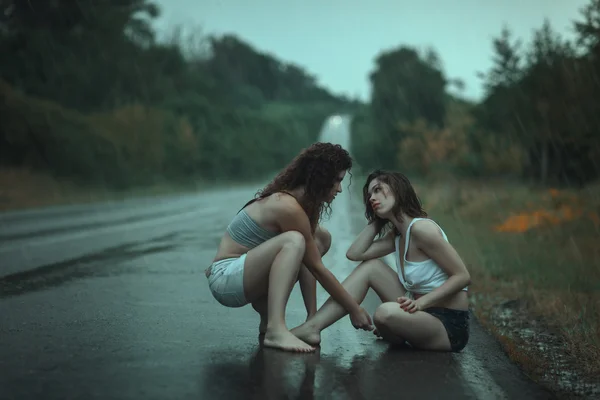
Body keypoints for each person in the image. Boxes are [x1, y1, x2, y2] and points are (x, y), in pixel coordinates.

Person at [204, 142, 373, 353]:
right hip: (226, 280)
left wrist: (314, 321)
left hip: (245, 275)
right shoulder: (287, 206)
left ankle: (291, 321)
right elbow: (318, 268)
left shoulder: (305, 205)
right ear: (321, 178)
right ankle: (276, 328)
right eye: (337, 181)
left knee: (320, 237)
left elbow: (311, 263)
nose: (339, 189)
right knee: (294, 241)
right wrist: (354, 309)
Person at [291, 169, 471, 352]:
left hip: (447, 325)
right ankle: (313, 327)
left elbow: (462, 276)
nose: (372, 198)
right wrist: (378, 221)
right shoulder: (399, 236)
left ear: (398, 189)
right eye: (370, 195)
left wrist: (420, 304)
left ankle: (394, 326)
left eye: (378, 190)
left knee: (384, 313)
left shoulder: (422, 230)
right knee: (371, 268)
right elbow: (354, 254)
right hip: (420, 314)